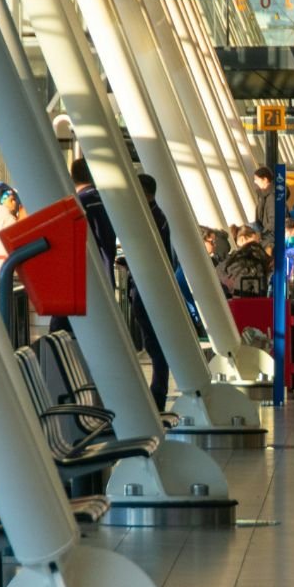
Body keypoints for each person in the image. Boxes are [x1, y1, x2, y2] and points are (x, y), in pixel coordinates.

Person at [51, 158, 118, 333]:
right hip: (104, 274)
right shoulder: (107, 203)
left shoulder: (79, 204)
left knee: (63, 332)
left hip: (80, 280)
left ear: (72, 176)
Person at [129, 173, 172, 410]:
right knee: (155, 344)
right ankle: (158, 393)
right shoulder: (158, 215)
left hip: (148, 286)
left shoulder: (150, 217)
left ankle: (158, 395)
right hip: (152, 284)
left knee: (155, 344)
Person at [218, 226, 272, 296]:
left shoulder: (229, 261)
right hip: (243, 304)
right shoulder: (256, 266)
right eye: (255, 242)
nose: (258, 244)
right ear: (243, 239)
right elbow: (261, 294)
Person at [252, 166, 276, 248]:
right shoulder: (264, 196)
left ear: (265, 179)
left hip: (270, 238)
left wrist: (262, 235)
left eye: (256, 179)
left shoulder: (271, 197)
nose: (255, 182)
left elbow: (273, 220)